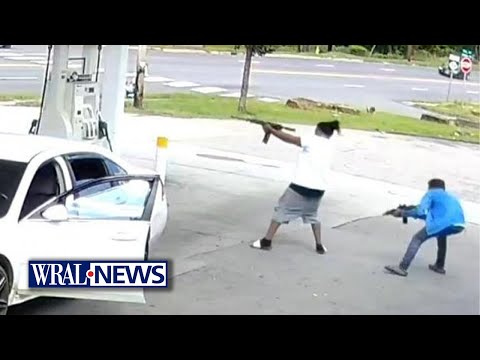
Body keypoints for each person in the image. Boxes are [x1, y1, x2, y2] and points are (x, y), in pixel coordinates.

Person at [250, 120, 340, 254]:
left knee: (281, 209)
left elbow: (290, 139)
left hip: (301, 185)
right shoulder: (330, 146)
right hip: (319, 189)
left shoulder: (313, 140)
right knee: (312, 215)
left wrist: (272, 131)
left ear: (319, 131)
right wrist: (277, 130)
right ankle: (319, 245)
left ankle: (266, 241)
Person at [385, 178, 466, 277]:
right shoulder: (450, 197)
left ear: (430, 187)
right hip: (460, 224)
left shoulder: (430, 194)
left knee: (417, 238)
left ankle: (402, 267)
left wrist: (403, 213)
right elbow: (430, 215)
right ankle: (439, 266)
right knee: (441, 235)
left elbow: (420, 211)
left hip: (443, 223)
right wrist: (406, 213)